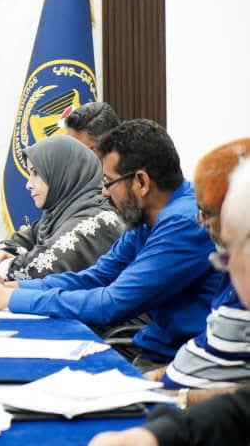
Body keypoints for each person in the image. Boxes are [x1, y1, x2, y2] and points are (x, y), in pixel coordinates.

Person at [0, 120, 222, 365]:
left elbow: (111, 303)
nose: (104, 192)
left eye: (108, 182)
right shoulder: (147, 214)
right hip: (155, 348)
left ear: (141, 182)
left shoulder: (183, 224)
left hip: (177, 362)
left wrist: (9, 299)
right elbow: (95, 277)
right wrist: (10, 287)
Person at [89, 157, 250, 446]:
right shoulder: (146, 222)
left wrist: (181, 398)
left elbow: (111, 302)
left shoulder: (179, 224)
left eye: (227, 255)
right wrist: (157, 434)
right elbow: (242, 406)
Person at [143, 139, 250, 401]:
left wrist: (178, 398)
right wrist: (160, 377)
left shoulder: (178, 225)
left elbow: (116, 300)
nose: (201, 223)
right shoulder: (230, 268)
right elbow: (209, 345)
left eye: (207, 213)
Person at [0, 135, 124, 280]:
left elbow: (39, 269)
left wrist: (2, 266)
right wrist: (1, 253)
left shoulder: (97, 220)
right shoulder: (60, 213)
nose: (28, 185)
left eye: (36, 173)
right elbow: (23, 239)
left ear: (63, 172)